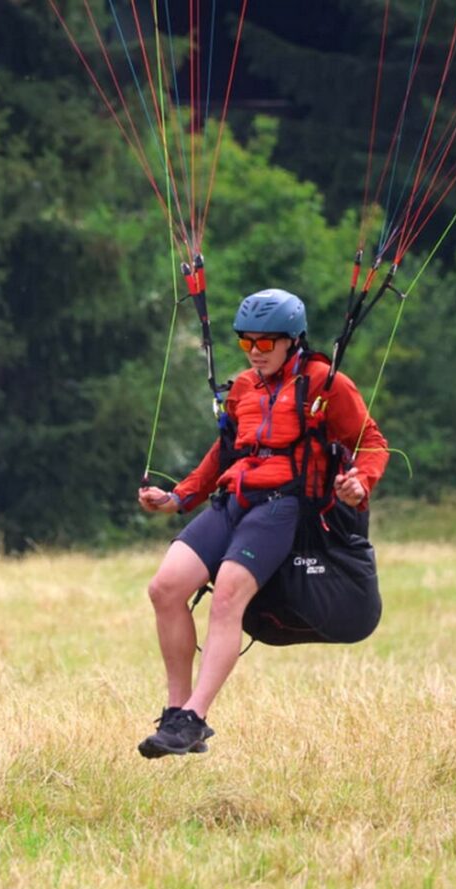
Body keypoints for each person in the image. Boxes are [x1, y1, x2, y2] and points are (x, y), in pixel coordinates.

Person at [137, 288, 389, 758]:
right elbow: (224, 454)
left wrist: (361, 481)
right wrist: (178, 497)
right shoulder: (243, 389)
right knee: (165, 587)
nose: (255, 352)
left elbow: (372, 441)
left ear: (293, 341)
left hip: (283, 504)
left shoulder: (325, 383)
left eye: (265, 343)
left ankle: (196, 717)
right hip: (233, 499)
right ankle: (174, 711)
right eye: (246, 343)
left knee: (229, 590)